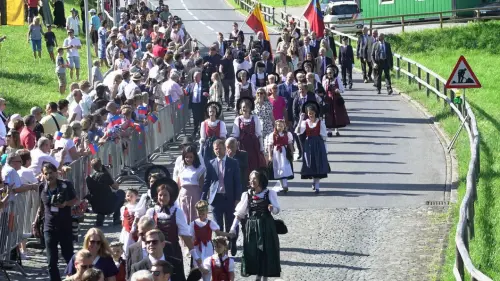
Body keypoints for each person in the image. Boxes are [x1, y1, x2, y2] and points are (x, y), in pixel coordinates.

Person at [230, 170, 281, 280]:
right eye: (250, 178)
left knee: (266, 250)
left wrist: (272, 208)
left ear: (260, 180)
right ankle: (258, 274)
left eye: (254, 178)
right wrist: (233, 228)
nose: (252, 181)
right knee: (254, 251)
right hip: (252, 227)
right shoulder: (247, 195)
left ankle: (265, 275)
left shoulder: (269, 193)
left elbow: (277, 210)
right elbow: (240, 213)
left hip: (266, 226)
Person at [33, 162, 78, 281]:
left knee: (68, 256)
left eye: (51, 173)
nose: (49, 176)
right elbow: (41, 206)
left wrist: (65, 204)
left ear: (56, 172)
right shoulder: (42, 187)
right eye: (46, 173)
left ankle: (75, 278)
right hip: (49, 227)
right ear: (43, 174)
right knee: (51, 261)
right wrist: (36, 221)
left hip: (65, 225)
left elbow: (76, 200)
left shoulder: (66, 184)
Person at [145, 179, 198, 276]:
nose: (162, 198)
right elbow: (145, 233)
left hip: (174, 251)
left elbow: (185, 235)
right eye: (160, 195)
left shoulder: (178, 212)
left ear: (171, 197)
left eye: (165, 195)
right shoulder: (151, 212)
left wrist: (195, 255)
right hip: (155, 251)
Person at [201, 139, 241, 256]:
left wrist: (237, 199)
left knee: (230, 224)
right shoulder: (211, 163)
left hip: (229, 198)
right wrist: (203, 198)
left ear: (225, 148)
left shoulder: (233, 163)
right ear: (214, 150)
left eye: (220, 148)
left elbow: (237, 182)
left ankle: (232, 241)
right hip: (216, 199)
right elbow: (207, 182)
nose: (218, 151)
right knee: (218, 226)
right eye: (216, 149)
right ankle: (221, 248)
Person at [295, 101, 330, 193]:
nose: (310, 115)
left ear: (315, 113)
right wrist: (300, 119)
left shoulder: (320, 122)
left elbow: (324, 136)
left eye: (312, 113)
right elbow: (298, 132)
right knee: (310, 163)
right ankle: (314, 181)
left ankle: (317, 185)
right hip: (308, 145)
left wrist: (325, 148)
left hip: (318, 144)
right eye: (309, 113)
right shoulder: (304, 122)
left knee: (318, 164)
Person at [86, 158, 126, 226]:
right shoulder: (104, 175)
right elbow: (116, 187)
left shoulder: (89, 178)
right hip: (109, 206)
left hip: (96, 206)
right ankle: (116, 218)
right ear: (101, 165)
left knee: (100, 197)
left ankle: (100, 217)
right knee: (121, 193)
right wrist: (108, 173)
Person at [232, 97, 264, 176]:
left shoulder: (255, 118)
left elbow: (259, 134)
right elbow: (235, 134)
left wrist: (262, 148)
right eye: (243, 107)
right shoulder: (238, 119)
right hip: (242, 145)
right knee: (244, 164)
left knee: (254, 163)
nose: (245, 109)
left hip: (253, 145)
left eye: (246, 107)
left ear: (250, 108)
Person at [176, 145, 206, 224]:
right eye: (186, 157)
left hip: (195, 195)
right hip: (183, 195)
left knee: (195, 217)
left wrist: (203, 198)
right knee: (184, 217)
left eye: (191, 157)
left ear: (195, 157)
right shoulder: (181, 168)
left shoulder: (200, 168)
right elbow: (178, 183)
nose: (188, 159)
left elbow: (201, 184)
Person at [322, 64, 350, 137]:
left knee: (336, 114)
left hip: (336, 99)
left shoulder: (337, 79)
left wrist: (338, 90)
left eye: (330, 73)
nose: (329, 74)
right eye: (328, 73)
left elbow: (342, 89)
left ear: (334, 72)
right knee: (328, 114)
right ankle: (329, 131)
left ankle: (336, 130)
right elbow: (323, 89)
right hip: (328, 99)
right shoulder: (325, 79)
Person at [267, 119, 294, 192]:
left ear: (284, 126)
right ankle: (282, 185)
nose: (280, 127)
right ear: (276, 126)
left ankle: (285, 185)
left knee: (284, 167)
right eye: (278, 125)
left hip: (284, 152)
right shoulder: (272, 135)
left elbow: (290, 143)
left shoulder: (287, 134)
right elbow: (270, 145)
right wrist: (270, 155)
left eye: (282, 125)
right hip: (276, 153)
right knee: (278, 168)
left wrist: (292, 152)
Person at [186, 71, 209, 139]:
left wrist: (205, 94)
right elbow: (187, 93)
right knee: (195, 118)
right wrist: (185, 91)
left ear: (200, 77)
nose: (195, 79)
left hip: (201, 104)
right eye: (194, 77)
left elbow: (207, 91)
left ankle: (201, 132)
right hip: (194, 104)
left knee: (202, 118)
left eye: (196, 77)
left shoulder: (204, 84)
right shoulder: (191, 85)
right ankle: (195, 131)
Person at [119, 188, 139, 257]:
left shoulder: (138, 207)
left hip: (136, 231)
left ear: (136, 196)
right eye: (128, 196)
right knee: (126, 245)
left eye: (131, 196)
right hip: (126, 231)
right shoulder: (123, 208)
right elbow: (123, 220)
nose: (129, 198)